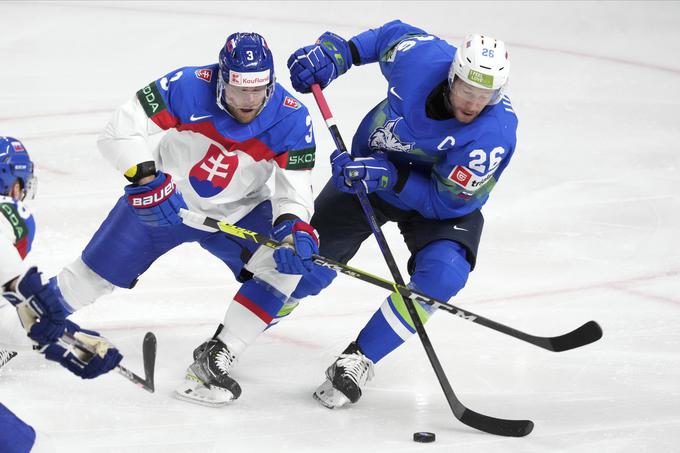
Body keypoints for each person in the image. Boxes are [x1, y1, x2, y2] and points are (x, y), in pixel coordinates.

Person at [52, 32, 323, 407]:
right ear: (220, 78)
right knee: (89, 281)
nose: (248, 101)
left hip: (239, 210)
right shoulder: (185, 85)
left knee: (290, 265)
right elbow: (119, 129)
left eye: (258, 90)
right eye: (238, 89)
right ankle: (14, 331)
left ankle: (214, 358)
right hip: (167, 202)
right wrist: (148, 180)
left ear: (271, 83)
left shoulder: (293, 118)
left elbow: (294, 190)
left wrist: (293, 228)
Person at [287, 20, 518, 408]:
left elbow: (446, 203)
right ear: (452, 76)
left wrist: (393, 178)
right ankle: (233, 337)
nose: (474, 103)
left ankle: (359, 358)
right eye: (468, 89)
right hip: (368, 176)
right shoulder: (421, 58)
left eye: (486, 95)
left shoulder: (493, 136)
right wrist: (339, 53)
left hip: (437, 203)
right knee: (306, 264)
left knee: (444, 274)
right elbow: (389, 35)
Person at [0, 136, 122, 453]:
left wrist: (72, 342)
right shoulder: (10, 216)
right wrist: (71, 342)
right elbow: (24, 301)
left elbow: (17, 317)